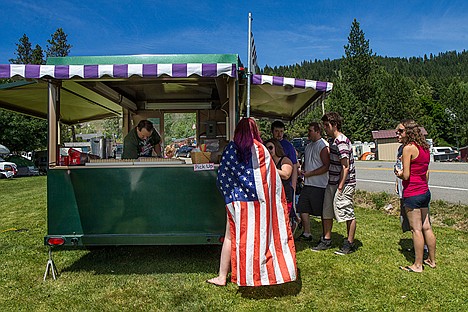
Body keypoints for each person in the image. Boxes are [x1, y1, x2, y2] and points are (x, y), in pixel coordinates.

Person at [207, 117, 297, 287]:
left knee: (230, 237)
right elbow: (270, 179)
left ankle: (221, 277)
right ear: (255, 130)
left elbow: (222, 177)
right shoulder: (261, 149)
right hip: (259, 204)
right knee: (260, 237)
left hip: (237, 202)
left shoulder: (230, 149)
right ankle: (262, 274)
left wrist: (231, 196)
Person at [312, 112, 357, 255]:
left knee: (346, 212)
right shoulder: (332, 141)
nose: (325, 128)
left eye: (327, 125)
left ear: (335, 125)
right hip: (332, 182)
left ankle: (349, 243)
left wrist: (341, 185)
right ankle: (326, 239)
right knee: (327, 212)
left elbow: (346, 166)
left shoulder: (341, 141)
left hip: (343, 183)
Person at [394, 119, 436, 272]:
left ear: (409, 132)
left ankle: (417, 265)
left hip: (412, 193)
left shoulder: (408, 149)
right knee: (427, 227)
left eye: (401, 131)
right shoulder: (425, 147)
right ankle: (431, 260)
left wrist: (398, 173)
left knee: (416, 229)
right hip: (425, 191)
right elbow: (425, 172)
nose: (398, 134)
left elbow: (405, 175)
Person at [296, 122, 330, 242]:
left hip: (319, 185)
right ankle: (307, 233)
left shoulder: (323, 146)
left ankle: (325, 235)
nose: (308, 133)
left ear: (317, 131)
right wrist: (303, 171)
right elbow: (307, 162)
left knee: (321, 211)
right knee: (302, 207)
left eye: (310, 130)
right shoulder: (309, 146)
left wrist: (311, 173)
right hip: (308, 183)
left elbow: (326, 166)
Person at [264, 138, 294, 218]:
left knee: (283, 220)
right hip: (272, 197)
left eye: (270, 147)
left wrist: (271, 169)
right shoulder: (267, 162)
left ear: (276, 147)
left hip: (285, 197)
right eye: (266, 148)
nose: (268, 150)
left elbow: (286, 174)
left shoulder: (285, 160)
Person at [271, 120, 298, 192]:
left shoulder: (288, 146)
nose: (279, 134)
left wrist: (293, 186)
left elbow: (294, 165)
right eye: (276, 131)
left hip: (285, 183)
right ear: (272, 131)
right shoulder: (268, 144)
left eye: (281, 131)